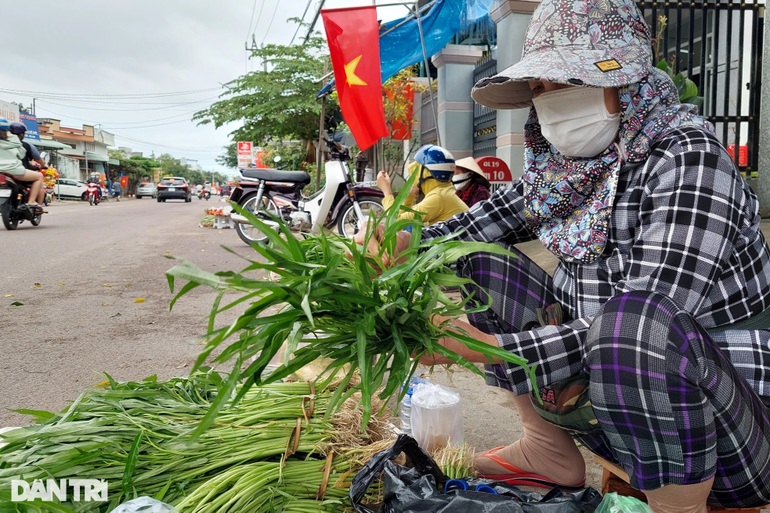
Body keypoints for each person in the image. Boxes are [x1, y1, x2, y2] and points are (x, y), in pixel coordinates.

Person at [355, 0, 770, 510]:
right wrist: (408, 241)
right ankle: (546, 448)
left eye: (568, 82)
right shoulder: (563, 171)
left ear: (627, 80)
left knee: (634, 327)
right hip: (616, 406)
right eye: (540, 88)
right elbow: (480, 223)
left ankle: (676, 507)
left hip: (727, 431)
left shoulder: (688, 159)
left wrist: (481, 347)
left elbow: (651, 318)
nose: (551, 101)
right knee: (478, 257)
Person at [376, 144, 469, 226]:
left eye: (417, 170)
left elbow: (395, 223)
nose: (413, 176)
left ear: (426, 173)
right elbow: (405, 222)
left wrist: (387, 191)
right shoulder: (444, 191)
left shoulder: (438, 197)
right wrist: (409, 196)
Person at [0, 118, 45, 212]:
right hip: (15, 171)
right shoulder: (16, 141)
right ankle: (31, 201)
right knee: (39, 176)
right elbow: (21, 154)